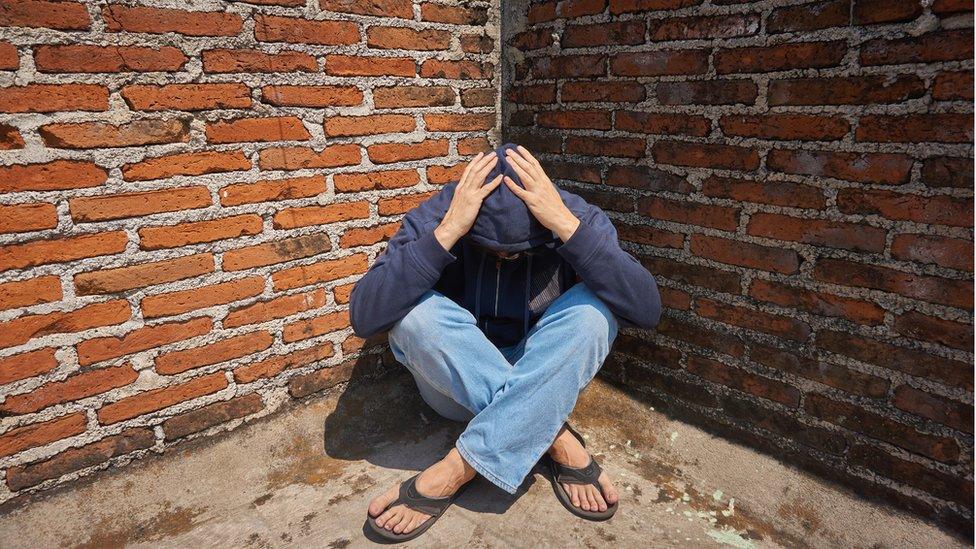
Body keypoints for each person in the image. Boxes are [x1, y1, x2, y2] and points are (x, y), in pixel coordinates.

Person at [349, 142, 662, 541]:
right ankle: (554, 437)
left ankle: (455, 470)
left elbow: (646, 310)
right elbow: (364, 315)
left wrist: (566, 227)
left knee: (594, 313)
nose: (502, 257)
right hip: (457, 384)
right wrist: (448, 231)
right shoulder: (440, 212)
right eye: (488, 248)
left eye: (515, 252)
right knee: (413, 317)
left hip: (541, 368)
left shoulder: (572, 212)